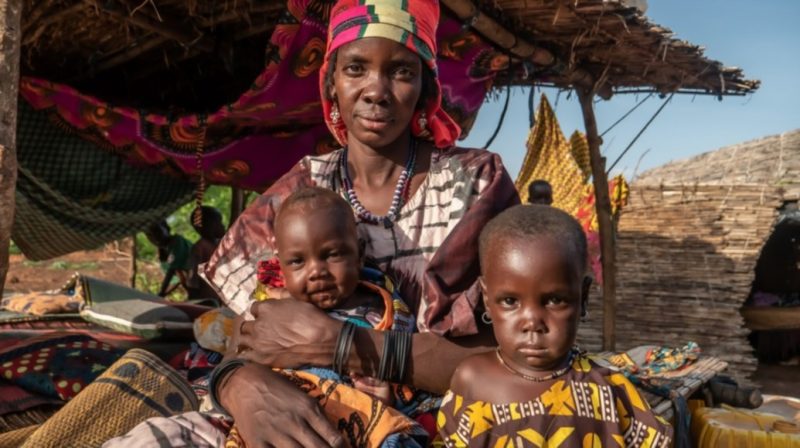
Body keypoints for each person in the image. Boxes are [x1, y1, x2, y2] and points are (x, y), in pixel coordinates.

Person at [203, 1, 520, 446]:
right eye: (355, 68)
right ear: (330, 80)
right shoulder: (296, 195)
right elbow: (245, 332)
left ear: (426, 86)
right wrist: (239, 385)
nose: (377, 90)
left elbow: (509, 360)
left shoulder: (476, 186)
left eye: (402, 72)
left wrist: (340, 344)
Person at [436, 205, 673, 447]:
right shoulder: (472, 379)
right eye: (510, 301)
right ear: (487, 299)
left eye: (554, 300)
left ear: (583, 297)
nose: (532, 323)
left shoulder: (607, 388)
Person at [224, 186, 428, 447]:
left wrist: (382, 395)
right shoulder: (270, 309)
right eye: (297, 261)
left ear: (359, 254)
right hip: (287, 422)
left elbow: (402, 377)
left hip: (361, 423)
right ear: (281, 266)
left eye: (332, 255)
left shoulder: (382, 309)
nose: (316, 271)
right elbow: (240, 358)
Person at [186, 206, 226, 301]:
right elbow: (193, 282)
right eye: (218, 222)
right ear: (207, 226)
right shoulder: (199, 248)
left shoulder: (220, 244)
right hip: (208, 300)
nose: (222, 225)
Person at [145, 220, 193, 297]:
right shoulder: (164, 253)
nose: (154, 236)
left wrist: (162, 291)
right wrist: (163, 294)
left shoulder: (177, 241)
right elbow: (176, 280)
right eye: (149, 235)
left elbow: (172, 270)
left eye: (157, 231)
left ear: (167, 228)